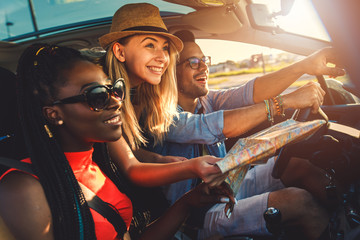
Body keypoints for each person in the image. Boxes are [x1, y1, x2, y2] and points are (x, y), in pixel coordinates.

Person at [0, 43, 231, 240]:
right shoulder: (23, 188)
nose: (115, 101)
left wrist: (188, 202)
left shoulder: (97, 162)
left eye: (115, 89)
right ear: (54, 114)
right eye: (97, 95)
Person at [141, 30, 346, 239]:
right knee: (299, 202)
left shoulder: (207, 100)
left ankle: (348, 222)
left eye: (204, 60)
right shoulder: (161, 117)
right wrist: (285, 102)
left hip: (224, 186)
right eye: (193, 62)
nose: (204, 67)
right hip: (195, 215)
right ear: (170, 72)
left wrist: (304, 66)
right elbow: (215, 126)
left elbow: (250, 92)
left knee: (299, 166)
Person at [98, 3, 227, 190]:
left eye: (165, 48)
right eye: (150, 45)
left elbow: (128, 148)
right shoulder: (103, 94)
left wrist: (159, 159)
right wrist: (189, 167)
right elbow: (130, 167)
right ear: (120, 52)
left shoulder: (142, 92)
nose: (163, 57)